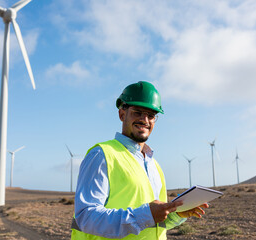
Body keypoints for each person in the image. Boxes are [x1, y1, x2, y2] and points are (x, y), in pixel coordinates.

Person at [71, 81, 208, 239]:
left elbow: (153, 224)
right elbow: (86, 217)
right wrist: (146, 215)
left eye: (151, 115)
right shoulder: (102, 155)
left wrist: (176, 215)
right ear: (122, 114)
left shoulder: (154, 165)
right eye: (137, 112)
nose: (145, 119)